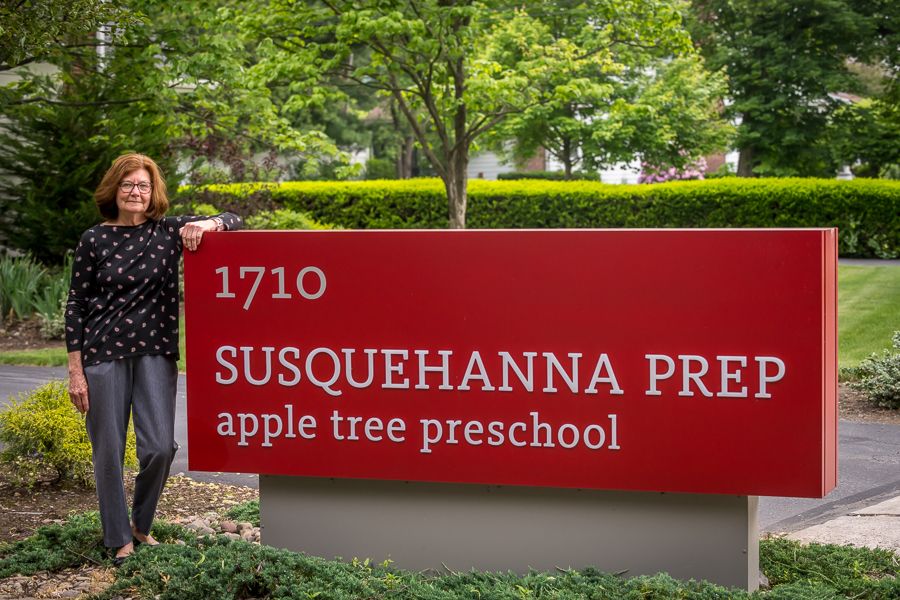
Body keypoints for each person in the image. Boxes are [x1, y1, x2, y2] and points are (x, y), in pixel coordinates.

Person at [65, 153, 242, 565]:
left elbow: (234, 218)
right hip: (103, 354)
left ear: (153, 192)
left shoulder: (167, 233)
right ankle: (118, 538)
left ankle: (141, 525)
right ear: (115, 189)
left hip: (156, 353)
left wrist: (209, 224)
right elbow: (75, 305)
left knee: (161, 446)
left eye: (143, 185)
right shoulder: (94, 239)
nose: (135, 192)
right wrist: (76, 370)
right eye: (128, 185)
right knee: (108, 450)